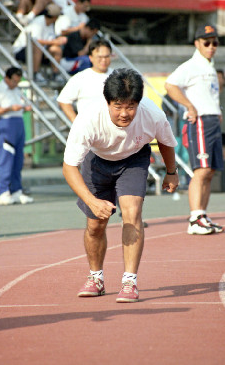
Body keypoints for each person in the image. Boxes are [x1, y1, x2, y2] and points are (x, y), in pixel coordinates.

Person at [63, 68, 178, 302]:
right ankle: (96, 277)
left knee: (132, 213)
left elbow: (165, 142)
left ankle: (129, 281)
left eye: (130, 106)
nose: (124, 113)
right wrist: (91, 201)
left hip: (134, 160)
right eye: (118, 106)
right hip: (96, 161)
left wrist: (171, 172)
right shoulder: (88, 119)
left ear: (139, 102)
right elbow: (69, 167)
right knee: (96, 225)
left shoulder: (152, 114)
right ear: (107, 102)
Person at [165, 24, 224, 235]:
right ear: (197, 43)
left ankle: (202, 215)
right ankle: (194, 218)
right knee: (202, 169)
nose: (211, 46)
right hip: (199, 121)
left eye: (215, 42)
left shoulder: (209, 66)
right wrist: (189, 106)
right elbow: (170, 84)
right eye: (207, 42)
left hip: (212, 120)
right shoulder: (191, 66)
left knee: (211, 171)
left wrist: (218, 112)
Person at [0, 67, 34, 206]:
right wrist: (9, 108)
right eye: (14, 81)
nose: (15, 84)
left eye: (17, 81)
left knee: (18, 160)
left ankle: (16, 191)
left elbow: (17, 107)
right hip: (7, 124)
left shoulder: (16, 89)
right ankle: (4, 191)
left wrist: (23, 108)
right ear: (6, 78)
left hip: (18, 123)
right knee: (6, 159)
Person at [57, 38, 113, 122]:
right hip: (88, 129)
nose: (103, 60)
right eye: (99, 57)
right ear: (90, 57)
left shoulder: (118, 76)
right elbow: (63, 100)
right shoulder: (80, 77)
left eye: (106, 56)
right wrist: (75, 122)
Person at [12, 3, 67, 85]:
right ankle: (35, 73)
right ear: (55, 17)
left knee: (56, 49)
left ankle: (55, 74)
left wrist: (58, 40)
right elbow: (35, 41)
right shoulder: (39, 21)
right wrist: (54, 41)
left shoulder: (51, 24)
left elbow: (50, 40)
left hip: (39, 51)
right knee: (38, 46)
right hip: (22, 50)